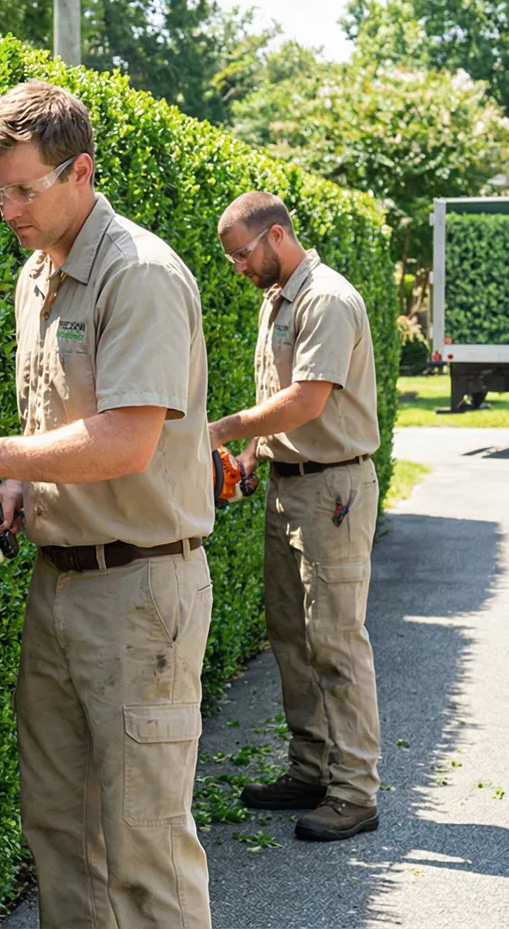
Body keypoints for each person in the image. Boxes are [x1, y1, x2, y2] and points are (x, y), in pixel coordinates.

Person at [0, 82, 213, 928]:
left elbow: (125, 442)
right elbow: (66, 428)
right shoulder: (36, 276)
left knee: (145, 845)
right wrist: (18, 483)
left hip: (141, 593)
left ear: (78, 171)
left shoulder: (139, 274)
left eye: (22, 189)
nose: (6, 208)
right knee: (60, 832)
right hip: (60, 585)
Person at [206, 190, 383, 843]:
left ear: (276, 235)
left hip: (333, 489)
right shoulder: (277, 298)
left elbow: (306, 402)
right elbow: (276, 396)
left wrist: (220, 432)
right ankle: (311, 770)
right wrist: (253, 453)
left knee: (336, 640)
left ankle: (356, 792)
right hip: (289, 485)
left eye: (241, 254)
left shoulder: (327, 299)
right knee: (291, 634)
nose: (237, 268)